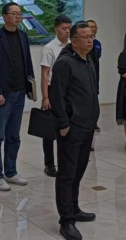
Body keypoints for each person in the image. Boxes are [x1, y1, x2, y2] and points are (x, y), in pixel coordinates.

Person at [50, 21, 101, 240]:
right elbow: (57, 96)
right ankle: (66, 220)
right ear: (74, 40)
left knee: (79, 171)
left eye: (91, 36)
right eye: (85, 37)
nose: (90, 40)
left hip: (87, 126)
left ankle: (74, 208)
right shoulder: (64, 63)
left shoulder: (88, 59)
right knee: (67, 174)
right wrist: (63, 124)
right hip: (71, 128)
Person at [0, 2, 34, 191]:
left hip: (19, 93)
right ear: (4, 16)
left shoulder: (23, 36)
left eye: (20, 13)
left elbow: (27, 63)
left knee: (14, 136)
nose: (18, 16)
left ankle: (11, 172)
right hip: (2, 95)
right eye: (14, 13)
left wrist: (31, 87)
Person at [40, 14, 72, 177]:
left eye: (69, 28)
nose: (67, 31)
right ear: (56, 29)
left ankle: (66, 160)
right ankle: (49, 163)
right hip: (53, 89)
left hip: (70, 90)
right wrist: (45, 97)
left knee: (68, 126)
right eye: (63, 28)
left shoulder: (73, 46)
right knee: (49, 130)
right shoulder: (50, 48)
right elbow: (45, 74)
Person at [87, 19, 102, 134]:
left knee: (94, 99)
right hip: (85, 75)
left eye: (95, 27)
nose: (93, 29)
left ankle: (94, 122)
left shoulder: (97, 43)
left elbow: (98, 58)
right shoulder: (83, 42)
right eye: (91, 26)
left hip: (95, 74)